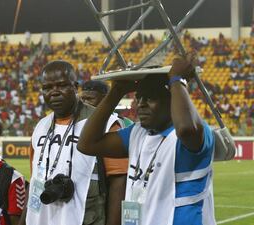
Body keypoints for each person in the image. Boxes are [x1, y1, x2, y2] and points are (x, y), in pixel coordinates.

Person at [78, 53, 216, 225]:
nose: (141, 104)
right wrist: (116, 92)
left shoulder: (194, 133)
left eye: (150, 98)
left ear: (171, 100)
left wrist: (177, 80)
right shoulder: (137, 133)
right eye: (139, 98)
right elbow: (86, 144)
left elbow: (186, 129)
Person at [26, 60, 119, 225]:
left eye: (61, 85)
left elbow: (119, 182)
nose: (54, 92)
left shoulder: (105, 123)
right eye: (47, 88)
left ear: (76, 87)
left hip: (88, 218)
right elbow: (35, 180)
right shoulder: (41, 127)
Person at [80, 80, 133, 225]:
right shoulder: (81, 123)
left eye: (89, 98)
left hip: (104, 208)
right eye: (82, 98)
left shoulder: (115, 125)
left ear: (105, 98)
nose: (85, 102)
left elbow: (119, 179)